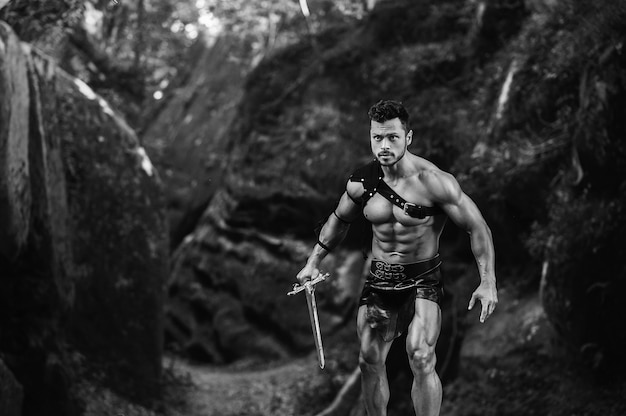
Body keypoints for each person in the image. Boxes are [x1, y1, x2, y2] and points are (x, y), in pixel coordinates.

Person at [296, 99, 498, 416]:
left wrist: (488, 282)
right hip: (379, 281)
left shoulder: (433, 181)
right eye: (378, 137)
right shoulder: (362, 183)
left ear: (408, 137)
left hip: (422, 281)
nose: (385, 145)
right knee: (369, 359)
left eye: (392, 137)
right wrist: (313, 262)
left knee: (420, 355)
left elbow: (477, 227)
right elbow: (338, 220)